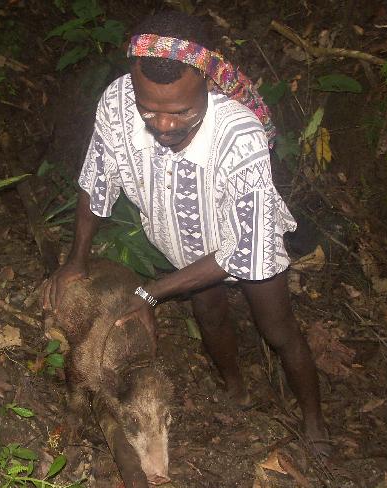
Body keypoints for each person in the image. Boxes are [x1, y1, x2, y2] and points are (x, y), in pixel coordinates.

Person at [43, 11, 329, 456]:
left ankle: (313, 419)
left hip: (245, 241)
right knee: (210, 314)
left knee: (277, 329)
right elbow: (97, 179)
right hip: (186, 244)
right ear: (133, 82)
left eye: (181, 112)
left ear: (207, 85)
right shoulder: (117, 103)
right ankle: (236, 389)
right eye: (149, 110)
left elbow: (243, 249)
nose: (163, 125)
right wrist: (76, 260)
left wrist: (152, 293)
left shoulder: (239, 134)